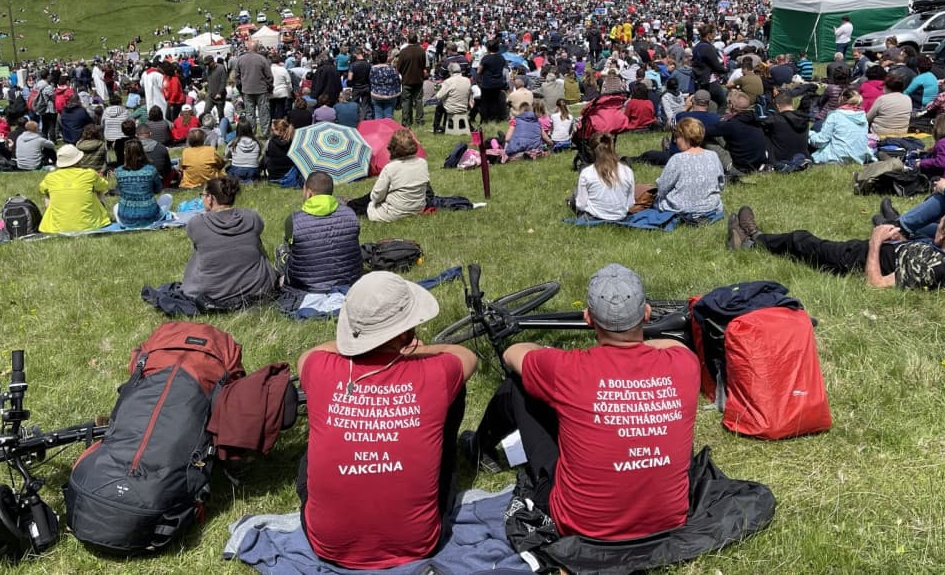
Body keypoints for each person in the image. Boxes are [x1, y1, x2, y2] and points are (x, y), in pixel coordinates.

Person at [463, 264, 698, 540]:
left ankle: (478, 448)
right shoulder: (684, 364)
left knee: (518, 383)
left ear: (588, 318)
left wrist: (549, 353)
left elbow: (512, 353)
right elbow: (673, 345)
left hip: (582, 526)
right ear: (646, 313)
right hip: (668, 520)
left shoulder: (568, 369)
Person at [296, 271, 476, 569]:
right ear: (405, 333)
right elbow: (464, 355)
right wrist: (416, 353)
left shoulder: (319, 367)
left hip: (327, 544)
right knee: (454, 391)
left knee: (312, 450)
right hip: (418, 543)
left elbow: (308, 355)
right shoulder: (437, 372)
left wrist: (357, 342)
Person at [729, 204, 945, 289]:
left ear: (944, 234)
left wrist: (876, 241)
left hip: (853, 259)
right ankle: (752, 237)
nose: (936, 227)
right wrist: (900, 242)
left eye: (939, 225)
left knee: (800, 240)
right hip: (891, 249)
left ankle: (754, 240)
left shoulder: (929, 268)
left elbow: (875, 283)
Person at [177, 176, 278, 307]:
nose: (202, 199)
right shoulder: (251, 217)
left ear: (210, 198)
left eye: (203, 195)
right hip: (258, 288)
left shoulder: (196, 223)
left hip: (213, 294)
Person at [281, 171, 362, 292]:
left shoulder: (293, 220)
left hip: (307, 286)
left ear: (308, 193)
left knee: (282, 251)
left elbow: (291, 247)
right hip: (350, 282)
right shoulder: (350, 214)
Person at [347, 129, 428, 222]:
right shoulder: (422, 163)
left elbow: (377, 196)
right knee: (365, 199)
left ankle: (349, 205)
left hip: (394, 212)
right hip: (417, 208)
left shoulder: (390, 168)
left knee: (358, 207)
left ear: (392, 148)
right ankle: (352, 203)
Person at [655, 117, 724, 218]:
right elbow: (721, 184)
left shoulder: (677, 159)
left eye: (677, 137)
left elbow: (662, 189)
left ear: (685, 137)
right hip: (710, 207)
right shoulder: (713, 155)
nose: (675, 140)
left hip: (681, 208)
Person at [38, 144, 111, 233]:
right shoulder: (89, 174)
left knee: (47, 193)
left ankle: (58, 219)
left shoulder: (50, 177)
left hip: (57, 227)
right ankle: (98, 215)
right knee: (99, 190)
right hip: (90, 225)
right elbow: (104, 186)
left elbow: (42, 189)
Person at [569, 132, 634, 221]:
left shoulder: (587, 172)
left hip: (593, 217)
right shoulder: (627, 171)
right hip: (620, 217)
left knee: (576, 193)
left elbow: (581, 205)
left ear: (591, 151)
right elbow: (630, 203)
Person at [706, 90, 768, 173]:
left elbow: (706, 131)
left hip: (739, 168)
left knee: (706, 140)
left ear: (731, 105)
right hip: (758, 165)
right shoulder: (756, 120)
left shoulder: (732, 124)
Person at [113, 139, 171, 228]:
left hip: (125, 219)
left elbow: (120, 191)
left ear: (125, 153)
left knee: (116, 206)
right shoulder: (151, 170)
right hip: (150, 219)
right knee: (168, 197)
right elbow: (158, 190)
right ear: (142, 152)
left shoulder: (118, 171)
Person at [810, 89, 872, 165]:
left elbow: (820, 141)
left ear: (842, 98)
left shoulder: (835, 115)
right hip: (858, 158)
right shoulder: (863, 116)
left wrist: (810, 134)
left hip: (836, 158)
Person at [235, 39, 274, 135]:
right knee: (264, 113)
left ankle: (251, 133)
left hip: (247, 90)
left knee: (249, 114)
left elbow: (237, 77)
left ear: (247, 48)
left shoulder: (240, 59)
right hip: (261, 90)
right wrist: (269, 89)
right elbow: (269, 76)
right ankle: (265, 133)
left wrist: (241, 89)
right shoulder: (262, 59)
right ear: (257, 48)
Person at [763, 91, 810, 163]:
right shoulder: (804, 118)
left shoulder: (775, 120)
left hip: (780, 159)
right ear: (792, 103)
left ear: (777, 106)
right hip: (803, 156)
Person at [866, 73, 911, 138]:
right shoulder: (907, 98)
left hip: (881, 134)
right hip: (901, 133)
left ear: (887, 87)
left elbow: (868, 118)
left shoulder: (882, 99)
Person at [397, 34, 427, 128]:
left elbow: (399, 67)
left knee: (406, 101)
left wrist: (404, 73)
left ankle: (406, 121)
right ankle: (419, 120)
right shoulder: (421, 51)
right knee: (418, 100)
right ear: (416, 40)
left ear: (408, 40)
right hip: (418, 79)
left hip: (407, 79)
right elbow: (423, 65)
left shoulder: (403, 52)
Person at [434, 62, 471, 134]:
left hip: (452, 108)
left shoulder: (448, 82)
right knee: (447, 102)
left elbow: (439, 96)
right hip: (464, 107)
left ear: (450, 71)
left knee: (439, 106)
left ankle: (436, 127)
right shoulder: (467, 80)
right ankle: (447, 125)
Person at [369, 49, 402, 120]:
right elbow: (397, 81)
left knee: (378, 115)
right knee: (389, 116)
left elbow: (370, 81)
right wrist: (398, 93)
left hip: (376, 95)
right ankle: (388, 127)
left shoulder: (372, 69)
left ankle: (379, 126)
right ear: (387, 58)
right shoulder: (392, 69)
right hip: (390, 95)